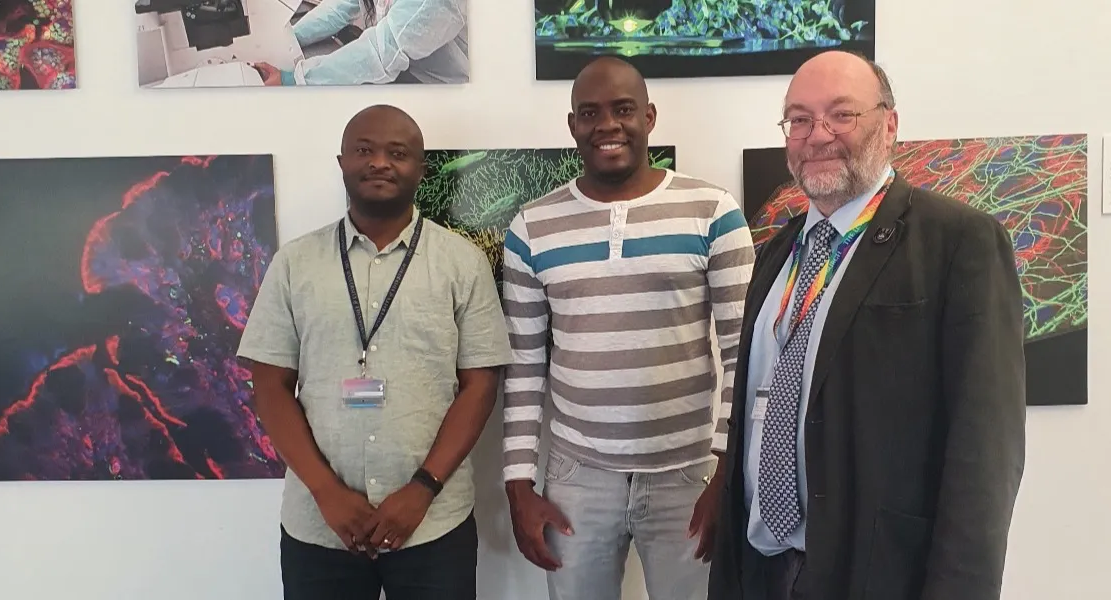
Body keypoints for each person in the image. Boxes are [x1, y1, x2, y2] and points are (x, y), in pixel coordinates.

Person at [707, 50, 1027, 600]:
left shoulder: (959, 243)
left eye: (841, 114)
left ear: (890, 123)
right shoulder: (779, 252)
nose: (818, 135)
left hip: (880, 571)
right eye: (800, 119)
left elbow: (985, 452)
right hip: (764, 566)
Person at [500, 56, 756, 600]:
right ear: (572, 124)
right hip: (576, 476)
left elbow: (745, 353)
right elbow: (524, 365)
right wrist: (518, 484)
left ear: (650, 117)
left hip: (688, 474)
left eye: (623, 110)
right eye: (590, 113)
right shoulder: (531, 227)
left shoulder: (712, 212)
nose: (607, 125)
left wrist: (726, 475)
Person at [235, 104, 511, 599]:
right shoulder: (295, 264)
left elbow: (480, 384)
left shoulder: (462, 263)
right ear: (341, 161)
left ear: (421, 169)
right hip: (320, 527)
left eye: (398, 153)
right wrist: (326, 492)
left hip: (433, 524)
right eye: (364, 150)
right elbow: (270, 385)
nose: (380, 162)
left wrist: (423, 488)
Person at [253, 0, 467, 86]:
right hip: (402, 69)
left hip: (440, 88)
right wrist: (288, 40)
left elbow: (381, 53)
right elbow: (341, 6)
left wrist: (294, 80)